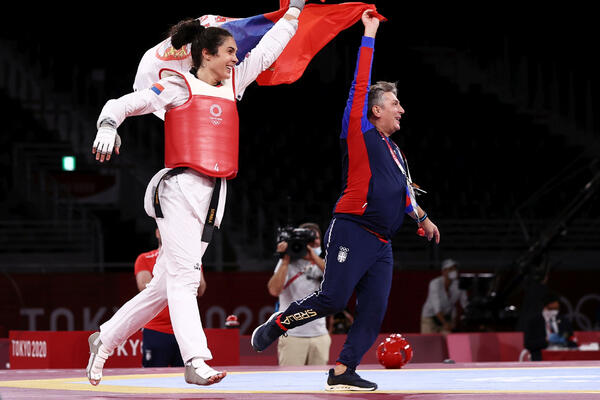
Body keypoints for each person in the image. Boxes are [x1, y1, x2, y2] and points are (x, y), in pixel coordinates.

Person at [85, 1, 305, 387]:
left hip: (214, 195)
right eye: (231, 52)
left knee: (164, 285)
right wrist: (108, 125)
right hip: (178, 190)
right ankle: (197, 360)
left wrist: (294, 13)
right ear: (206, 53)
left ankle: (105, 338)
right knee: (186, 279)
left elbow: (269, 49)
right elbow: (124, 103)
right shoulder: (175, 84)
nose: (237, 59)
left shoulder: (235, 82)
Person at [251, 10, 440, 392]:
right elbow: (360, 83)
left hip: (383, 243)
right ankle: (279, 323)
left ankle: (342, 370)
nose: (401, 109)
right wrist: (369, 33)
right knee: (333, 298)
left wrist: (422, 218)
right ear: (375, 110)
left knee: (372, 311)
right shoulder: (359, 132)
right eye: (395, 103)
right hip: (353, 228)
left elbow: (404, 193)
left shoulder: (396, 152)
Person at [135, 228, 207, 367]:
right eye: (164, 228)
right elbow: (144, 287)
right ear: (157, 233)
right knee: (152, 380)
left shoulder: (190, 260)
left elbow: (200, 289)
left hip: (184, 330)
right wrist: (181, 283)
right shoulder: (145, 258)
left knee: (186, 380)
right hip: (156, 330)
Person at [267, 222, 331, 366]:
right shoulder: (286, 263)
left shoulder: (324, 263)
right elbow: (273, 290)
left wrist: (313, 258)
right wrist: (284, 260)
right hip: (292, 335)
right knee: (291, 383)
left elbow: (337, 281)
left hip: (320, 334)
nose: (313, 242)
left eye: (316, 239)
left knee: (318, 386)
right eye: (308, 239)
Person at [523, 291, 576, 361]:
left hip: (562, 356)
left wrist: (563, 339)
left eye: (556, 309)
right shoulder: (534, 322)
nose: (554, 311)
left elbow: (570, 338)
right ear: (546, 305)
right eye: (552, 308)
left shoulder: (564, 321)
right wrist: (546, 340)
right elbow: (528, 344)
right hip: (541, 357)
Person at [420, 258, 468, 334]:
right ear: (443, 271)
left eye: (455, 269)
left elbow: (465, 304)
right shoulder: (435, 284)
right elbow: (437, 309)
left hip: (446, 317)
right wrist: (445, 323)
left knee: (448, 339)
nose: (454, 271)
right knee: (428, 342)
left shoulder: (459, 285)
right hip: (430, 318)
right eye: (450, 269)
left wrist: (453, 322)